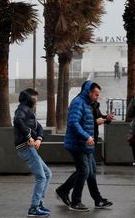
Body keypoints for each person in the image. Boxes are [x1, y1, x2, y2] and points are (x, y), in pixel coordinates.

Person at [55, 81, 109, 212]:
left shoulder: (88, 103)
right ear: (89, 92)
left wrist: (106, 118)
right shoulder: (78, 102)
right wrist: (86, 136)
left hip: (86, 144)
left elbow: (88, 122)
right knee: (84, 171)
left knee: (90, 172)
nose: (97, 97)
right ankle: (75, 201)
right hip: (77, 144)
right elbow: (73, 123)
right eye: (96, 94)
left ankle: (96, 199)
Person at [14, 88, 52, 217]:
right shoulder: (22, 109)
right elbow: (17, 121)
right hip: (25, 146)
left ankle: (39, 203)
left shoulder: (29, 111)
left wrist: (39, 139)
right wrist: (29, 137)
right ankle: (34, 208)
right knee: (41, 177)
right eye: (35, 98)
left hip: (30, 147)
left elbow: (39, 127)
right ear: (29, 99)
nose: (37, 100)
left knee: (47, 174)